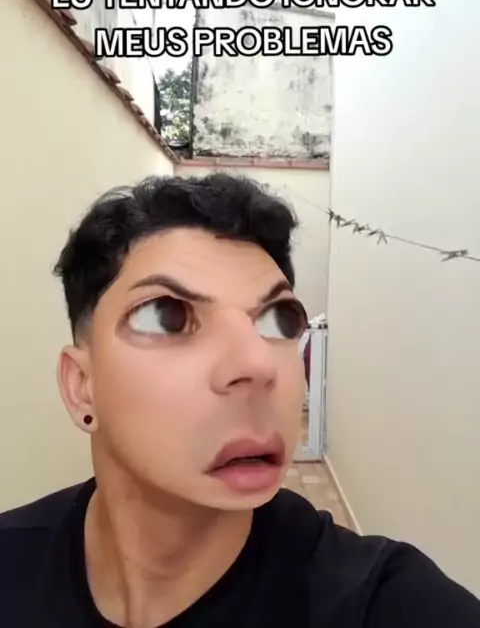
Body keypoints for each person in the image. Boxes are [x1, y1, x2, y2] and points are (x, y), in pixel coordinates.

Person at [1, 173, 479, 628]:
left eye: (279, 319)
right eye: (166, 316)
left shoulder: (379, 601)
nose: (257, 363)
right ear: (81, 384)